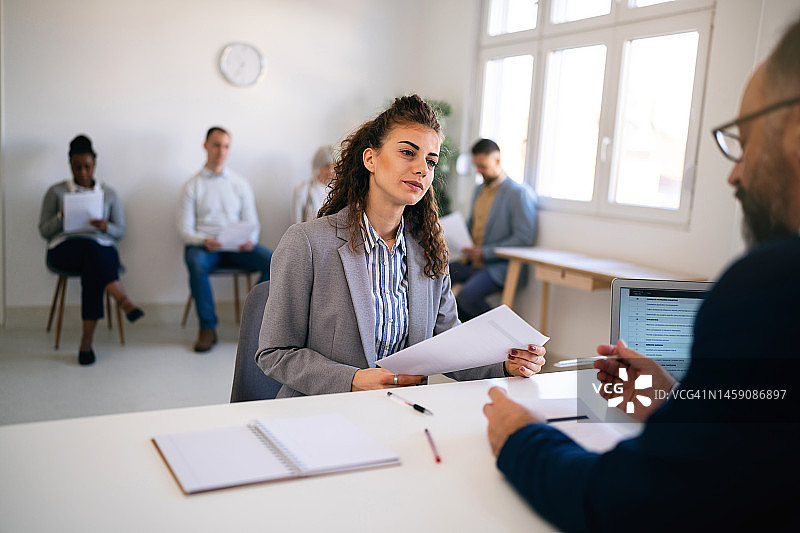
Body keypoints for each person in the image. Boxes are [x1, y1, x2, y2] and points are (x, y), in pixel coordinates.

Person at [482, 18, 800, 532]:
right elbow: (768, 421)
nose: (734, 174)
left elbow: (630, 505)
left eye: (744, 142)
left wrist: (523, 438)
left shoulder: (773, 287)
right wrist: (679, 404)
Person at [256, 95, 546, 398]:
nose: (422, 168)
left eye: (430, 161)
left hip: (401, 414)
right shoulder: (307, 243)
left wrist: (506, 365)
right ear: (370, 159)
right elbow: (275, 352)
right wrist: (353, 380)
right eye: (408, 153)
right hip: (324, 416)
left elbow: (448, 343)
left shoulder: (429, 251)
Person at [38, 135, 144, 366]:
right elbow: (44, 231)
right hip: (65, 250)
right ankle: (123, 300)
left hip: (100, 250)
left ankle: (86, 342)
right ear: (70, 166)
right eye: (78, 167)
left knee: (93, 261)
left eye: (87, 166)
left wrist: (107, 226)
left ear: (94, 165)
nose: (83, 172)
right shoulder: (56, 192)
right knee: (91, 251)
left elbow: (121, 231)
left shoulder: (109, 193)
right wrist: (60, 217)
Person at [178, 127, 272, 353]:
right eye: (216, 145)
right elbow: (184, 229)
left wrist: (249, 240)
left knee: (274, 261)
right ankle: (207, 328)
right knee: (196, 262)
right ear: (206, 146)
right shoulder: (192, 185)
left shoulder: (239, 184)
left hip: (237, 246)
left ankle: (257, 323)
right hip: (205, 247)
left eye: (226, 146)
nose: (221, 151)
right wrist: (204, 240)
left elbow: (252, 223)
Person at [450, 139, 537, 321]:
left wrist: (485, 252)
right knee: (435, 276)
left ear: (497, 161)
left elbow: (523, 238)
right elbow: (471, 224)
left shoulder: (518, 194)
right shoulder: (479, 189)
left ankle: (502, 330)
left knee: (467, 297)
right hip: (471, 263)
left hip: (498, 266)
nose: (478, 171)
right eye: (476, 166)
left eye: (483, 166)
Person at [292, 145, 335, 223]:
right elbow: (296, 223)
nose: (331, 170)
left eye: (334, 165)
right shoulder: (303, 190)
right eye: (327, 166)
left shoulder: (339, 189)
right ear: (318, 166)